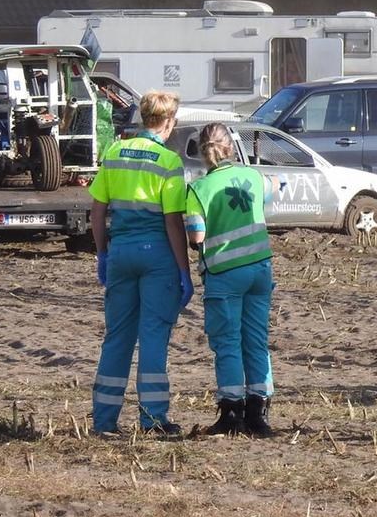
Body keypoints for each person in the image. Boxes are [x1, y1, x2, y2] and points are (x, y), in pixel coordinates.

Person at [88, 90, 193, 437]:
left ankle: (104, 420)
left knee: (117, 336)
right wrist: (184, 270)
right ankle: (152, 418)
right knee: (152, 337)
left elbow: (98, 210)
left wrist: (102, 252)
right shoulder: (168, 162)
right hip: (157, 255)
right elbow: (173, 221)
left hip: (120, 252)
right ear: (168, 122)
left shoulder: (114, 153)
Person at [183, 123, 277, 437]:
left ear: (201, 152)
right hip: (260, 269)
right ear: (230, 147)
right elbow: (267, 201)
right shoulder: (254, 177)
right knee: (256, 340)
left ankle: (231, 411)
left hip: (224, 274)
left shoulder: (198, 189)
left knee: (227, 343)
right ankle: (258, 410)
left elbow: (197, 235)